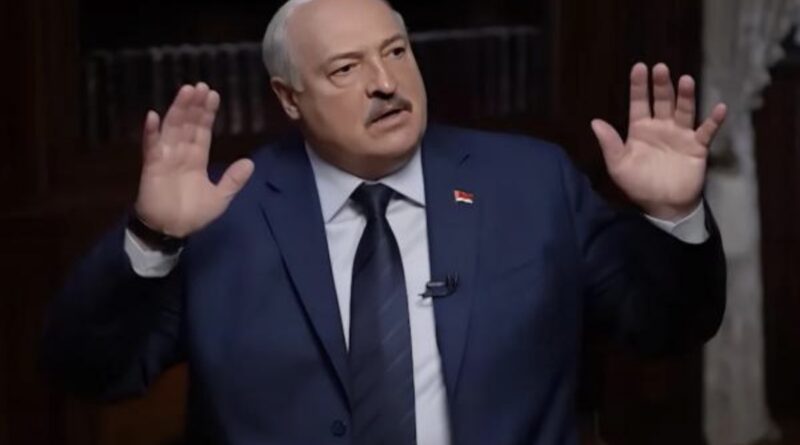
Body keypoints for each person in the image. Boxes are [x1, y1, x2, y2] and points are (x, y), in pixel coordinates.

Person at [43, 0, 728, 443]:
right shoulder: (228, 212)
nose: (385, 81)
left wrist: (673, 217)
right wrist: (153, 237)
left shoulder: (531, 182)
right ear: (289, 97)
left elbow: (666, 325)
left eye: (396, 51)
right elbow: (88, 369)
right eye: (346, 67)